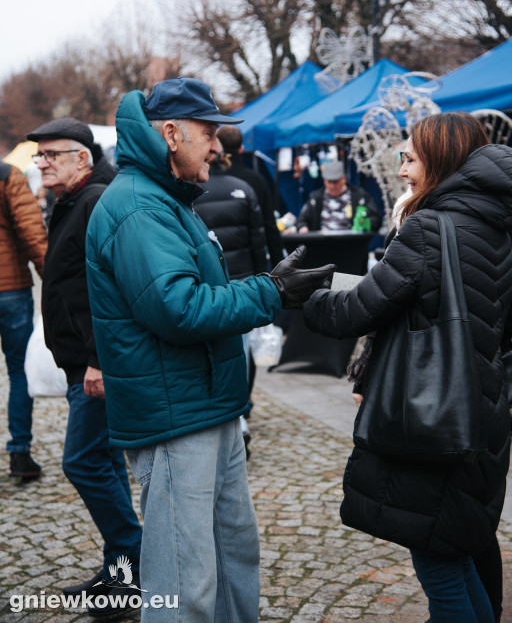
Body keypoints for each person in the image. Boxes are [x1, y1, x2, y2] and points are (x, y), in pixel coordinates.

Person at [85, 76, 335, 622]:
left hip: (208, 405)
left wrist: (269, 287)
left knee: (232, 556)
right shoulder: (138, 207)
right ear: (171, 133)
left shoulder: (166, 198)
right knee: (185, 581)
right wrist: (271, 291)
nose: (218, 146)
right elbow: (179, 308)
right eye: (209, 131)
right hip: (176, 416)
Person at [303, 112, 512, 623]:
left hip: (433, 421)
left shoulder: (427, 229)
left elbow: (354, 312)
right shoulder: (500, 225)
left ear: (440, 159)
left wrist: (303, 295)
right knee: (462, 548)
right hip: (486, 414)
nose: (400, 171)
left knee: (440, 563)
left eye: (409, 157)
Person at [27, 118, 143, 617]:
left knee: (83, 461)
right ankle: (122, 570)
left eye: (52, 154)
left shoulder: (96, 200)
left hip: (98, 364)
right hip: (84, 361)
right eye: (41, 156)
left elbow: (111, 288)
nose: (43, 162)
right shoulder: (72, 201)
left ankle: (134, 562)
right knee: (103, 461)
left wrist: (98, 358)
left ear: (82, 157)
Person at [193, 146, 268, 458]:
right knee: (243, 350)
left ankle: (230, 417)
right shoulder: (245, 188)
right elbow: (258, 239)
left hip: (211, 283)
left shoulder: (193, 193)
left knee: (217, 350)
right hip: (243, 280)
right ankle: (241, 412)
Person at [0, 161, 47, 478]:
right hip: (10, 288)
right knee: (19, 371)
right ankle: (20, 452)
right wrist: (52, 281)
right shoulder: (7, 175)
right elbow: (31, 232)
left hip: (12, 288)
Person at [216, 124, 284, 267]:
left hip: (217, 264)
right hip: (249, 264)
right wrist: (279, 266)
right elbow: (270, 225)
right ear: (241, 148)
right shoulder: (256, 180)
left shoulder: (205, 181)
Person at [297, 159, 382, 233]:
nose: (332, 186)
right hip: (322, 244)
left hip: (352, 243)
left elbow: (376, 219)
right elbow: (302, 220)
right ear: (324, 181)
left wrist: (365, 224)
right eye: (329, 182)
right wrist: (303, 228)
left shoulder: (359, 196)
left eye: (335, 182)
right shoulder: (315, 198)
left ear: (344, 179)